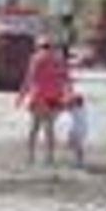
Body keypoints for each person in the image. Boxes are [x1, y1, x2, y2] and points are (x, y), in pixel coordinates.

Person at [20, 35, 73, 164]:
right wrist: (69, 95)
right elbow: (67, 79)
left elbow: (29, 79)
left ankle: (31, 156)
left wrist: (21, 96)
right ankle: (49, 157)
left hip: (39, 96)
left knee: (35, 127)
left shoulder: (36, 59)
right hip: (54, 96)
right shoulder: (59, 60)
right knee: (49, 128)